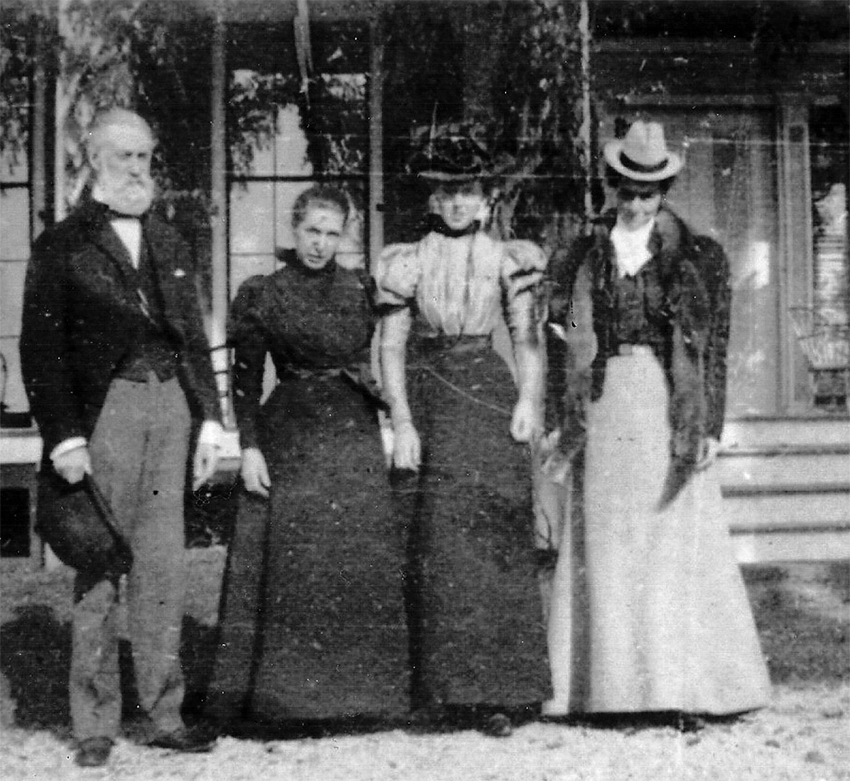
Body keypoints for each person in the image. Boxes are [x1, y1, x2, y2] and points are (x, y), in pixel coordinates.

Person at [544, 120, 771, 726]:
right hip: (602, 402)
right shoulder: (579, 254)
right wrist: (556, 415)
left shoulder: (698, 255)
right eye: (627, 190)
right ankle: (606, 693)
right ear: (613, 188)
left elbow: (713, 347)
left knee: (669, 543)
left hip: (669, 404)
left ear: (664, 191)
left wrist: (711, 427)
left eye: (649, 192)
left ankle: (680, 688)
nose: (638, 203)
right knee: (607, 546)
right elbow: (562, 337)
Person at [20, 108, 223, 767]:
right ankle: (93, 722)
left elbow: (192, 335)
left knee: (163, 566)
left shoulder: (171, 236)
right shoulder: (63, 243)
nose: (139, 169)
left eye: (146, 156)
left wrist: (211, 420)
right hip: (103, 412)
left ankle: (163, 712)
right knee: (100, 563)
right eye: (125, 156)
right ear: (93, 163)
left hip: (171, 409)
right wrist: (65, 439)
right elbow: (41, 350)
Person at [205, 185, 410, 730]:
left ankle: (360, 699)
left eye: (331, 233)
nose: (320, 244)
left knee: (352, 559)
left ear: (344, 236)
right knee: (297, 562)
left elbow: (393, 349)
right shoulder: (263, 293)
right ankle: (290, 702)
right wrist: (247, 446)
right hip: (292, 430)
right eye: (311, 231)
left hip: (352, 433)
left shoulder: (363, 288)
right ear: (293, 233)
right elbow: (245, 383)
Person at [375, 131, 550, 737]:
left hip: (488, 395)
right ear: (432, 199)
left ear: (486, 199)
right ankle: (437, 691)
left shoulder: (511, 259)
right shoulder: (407, 260)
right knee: (435, 541)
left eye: (467, 191)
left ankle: (500, 693)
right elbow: (391, 346)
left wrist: (528, 399)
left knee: (493, 538)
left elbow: (527, 338)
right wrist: (400, 418)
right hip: (429, 395)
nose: (455, 202)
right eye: (445, 191)